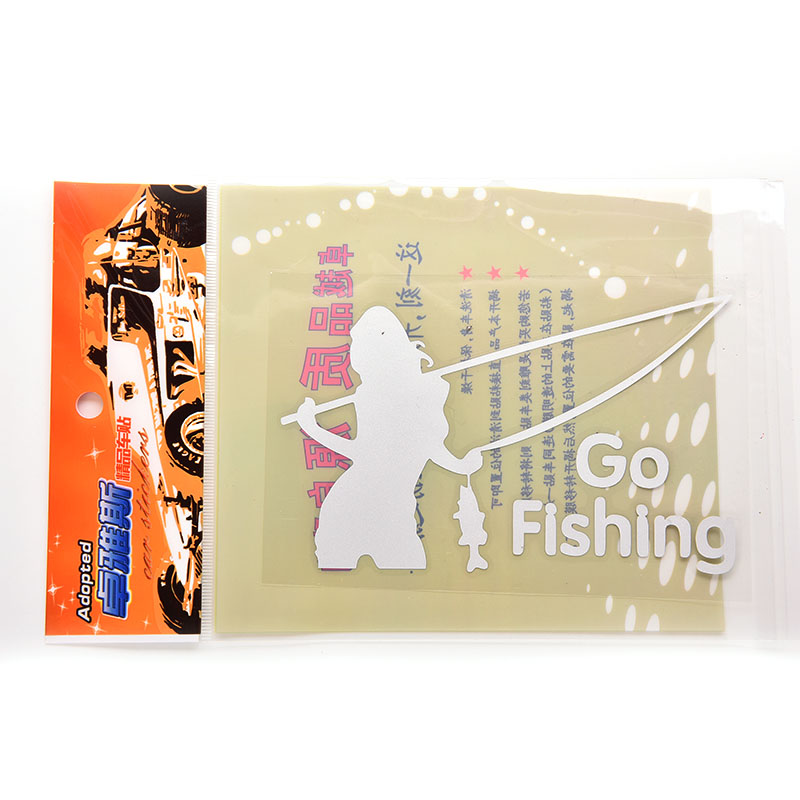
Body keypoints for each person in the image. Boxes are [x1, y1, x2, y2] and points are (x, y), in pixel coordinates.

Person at [296, 306, 481, 569]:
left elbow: (427, 444)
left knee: (405, 564)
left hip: (391, 508)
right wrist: (312, 428)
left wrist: (461, 465)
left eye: (359, 347)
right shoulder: (369, 395)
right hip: (353, 506)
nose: (354, 355)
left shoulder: (421, 392)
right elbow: (367, 454)